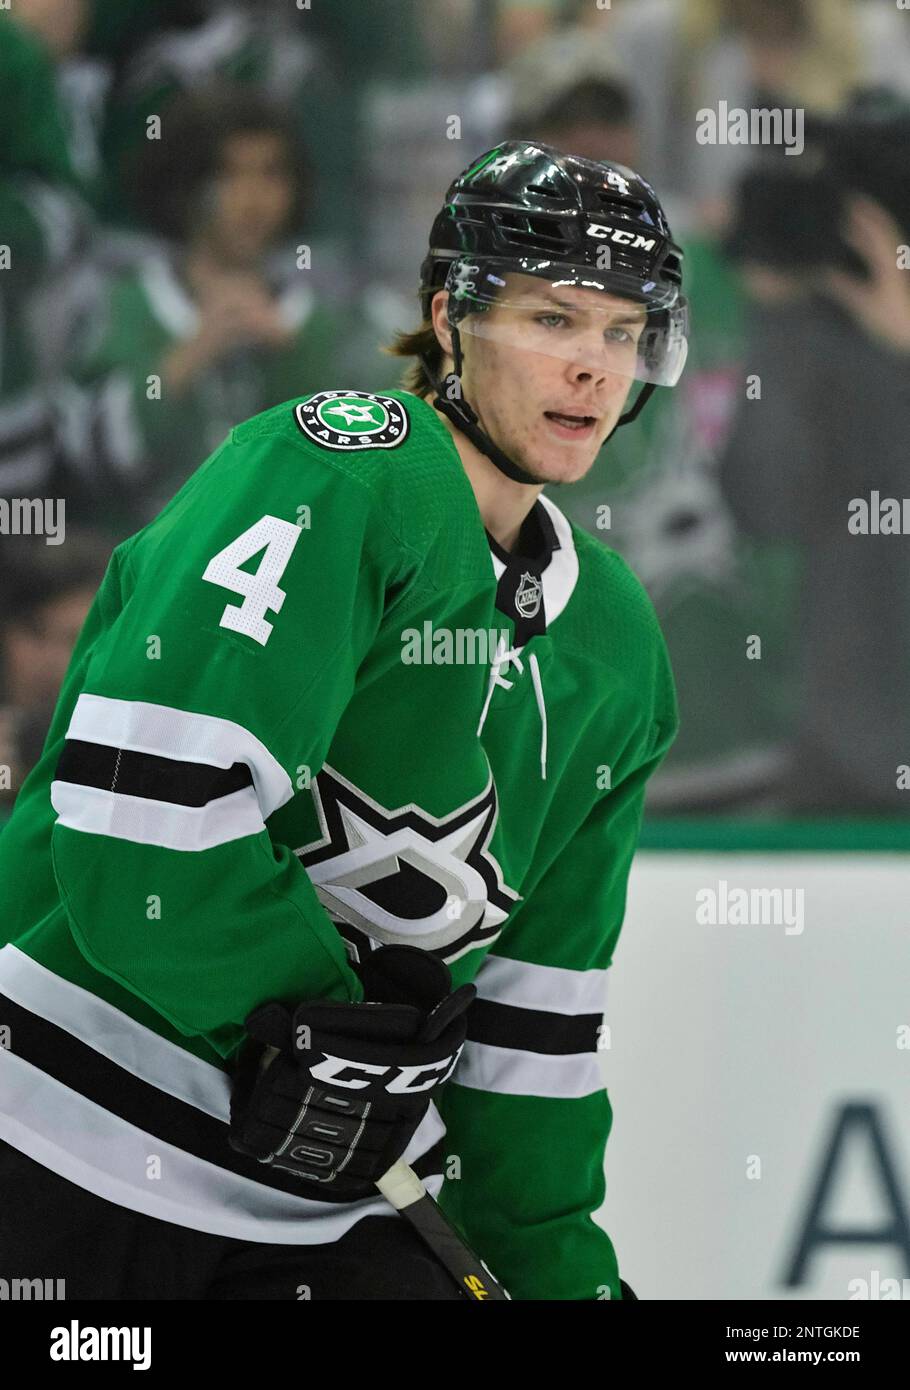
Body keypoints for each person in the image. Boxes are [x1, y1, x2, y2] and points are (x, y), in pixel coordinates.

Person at [0, 141, 687, 1299]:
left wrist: (559, 1277)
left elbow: (535, 1031)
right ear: (446, 316)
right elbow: (143, 821)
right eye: (553, 320)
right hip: (55, 1137)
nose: (592, 369)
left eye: (622, 334)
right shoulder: (338, 468)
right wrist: (301, 1031)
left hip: (326, 1210)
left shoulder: (614, 643)